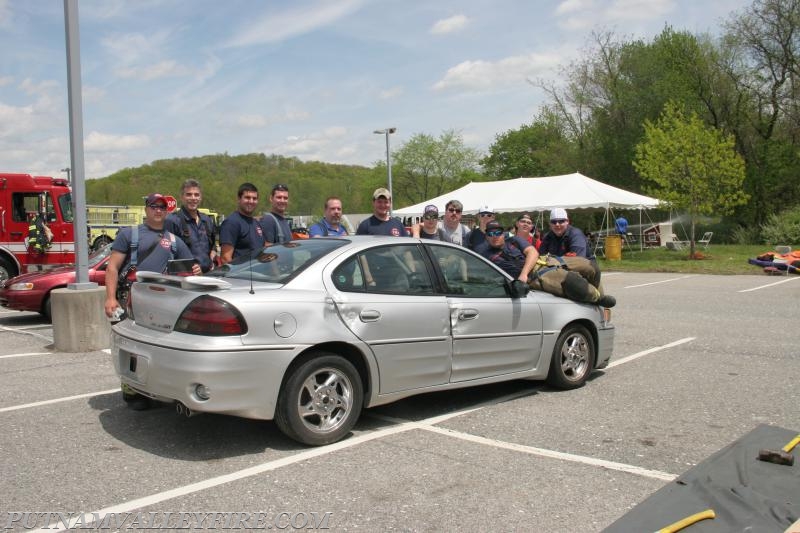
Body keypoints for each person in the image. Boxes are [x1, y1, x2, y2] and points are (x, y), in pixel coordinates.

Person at [104, 193, 201, 411]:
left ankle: (155, 387)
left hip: (159, 304)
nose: (158, 210)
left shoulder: (174, 240)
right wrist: (110, 299)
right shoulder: (129, 234)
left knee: (155, 349)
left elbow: (191, 266)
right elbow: (112, 268)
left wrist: (196, 269)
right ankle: (132, 390)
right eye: (154, 206)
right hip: (130, 299)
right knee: (129, 346)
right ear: (146, 209)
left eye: (162, 207)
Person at [478, 220, 616, 307]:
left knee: (591, 266)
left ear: (503, 233)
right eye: (490, 234)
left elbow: (532, 253)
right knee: (573, 283)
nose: (494, 236)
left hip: (546, 261)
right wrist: (523, 277)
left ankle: (600, 300)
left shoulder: (514, 241)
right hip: (536, 276)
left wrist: (523, 274)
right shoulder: (487, 256)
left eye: (497, 232)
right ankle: (599, 300)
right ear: (486, 237)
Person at [164, 179, 217, 273]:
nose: (193, 198)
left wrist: (213, 259)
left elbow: (213, 246)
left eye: (196, 195)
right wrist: (190, 269)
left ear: (201, 197)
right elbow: (167, 254)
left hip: (208, 276)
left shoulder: (207, 220)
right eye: (188, 194)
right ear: (182, 197)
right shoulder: (172, 221)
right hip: (185, 279)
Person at [219, 183, 264, 264]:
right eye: (247, 198)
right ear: (239, 199)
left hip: (258, 275)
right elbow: (225, 258)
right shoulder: (231, 223)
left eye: (254, 198)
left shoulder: (256, 224)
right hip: (240, 275)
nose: (251, 201)